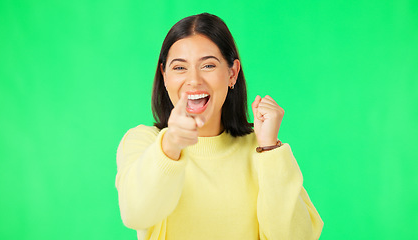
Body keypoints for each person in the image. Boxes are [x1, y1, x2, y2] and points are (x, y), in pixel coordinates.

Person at [115, 13, 323, 240]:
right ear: (164, 76)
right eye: (179, 68)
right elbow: (135, 214)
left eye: (208, 65)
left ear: (232, 73)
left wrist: (270, 149)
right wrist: (171, 145)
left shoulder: (262, 148)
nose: (194, 80)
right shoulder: (144, 142)